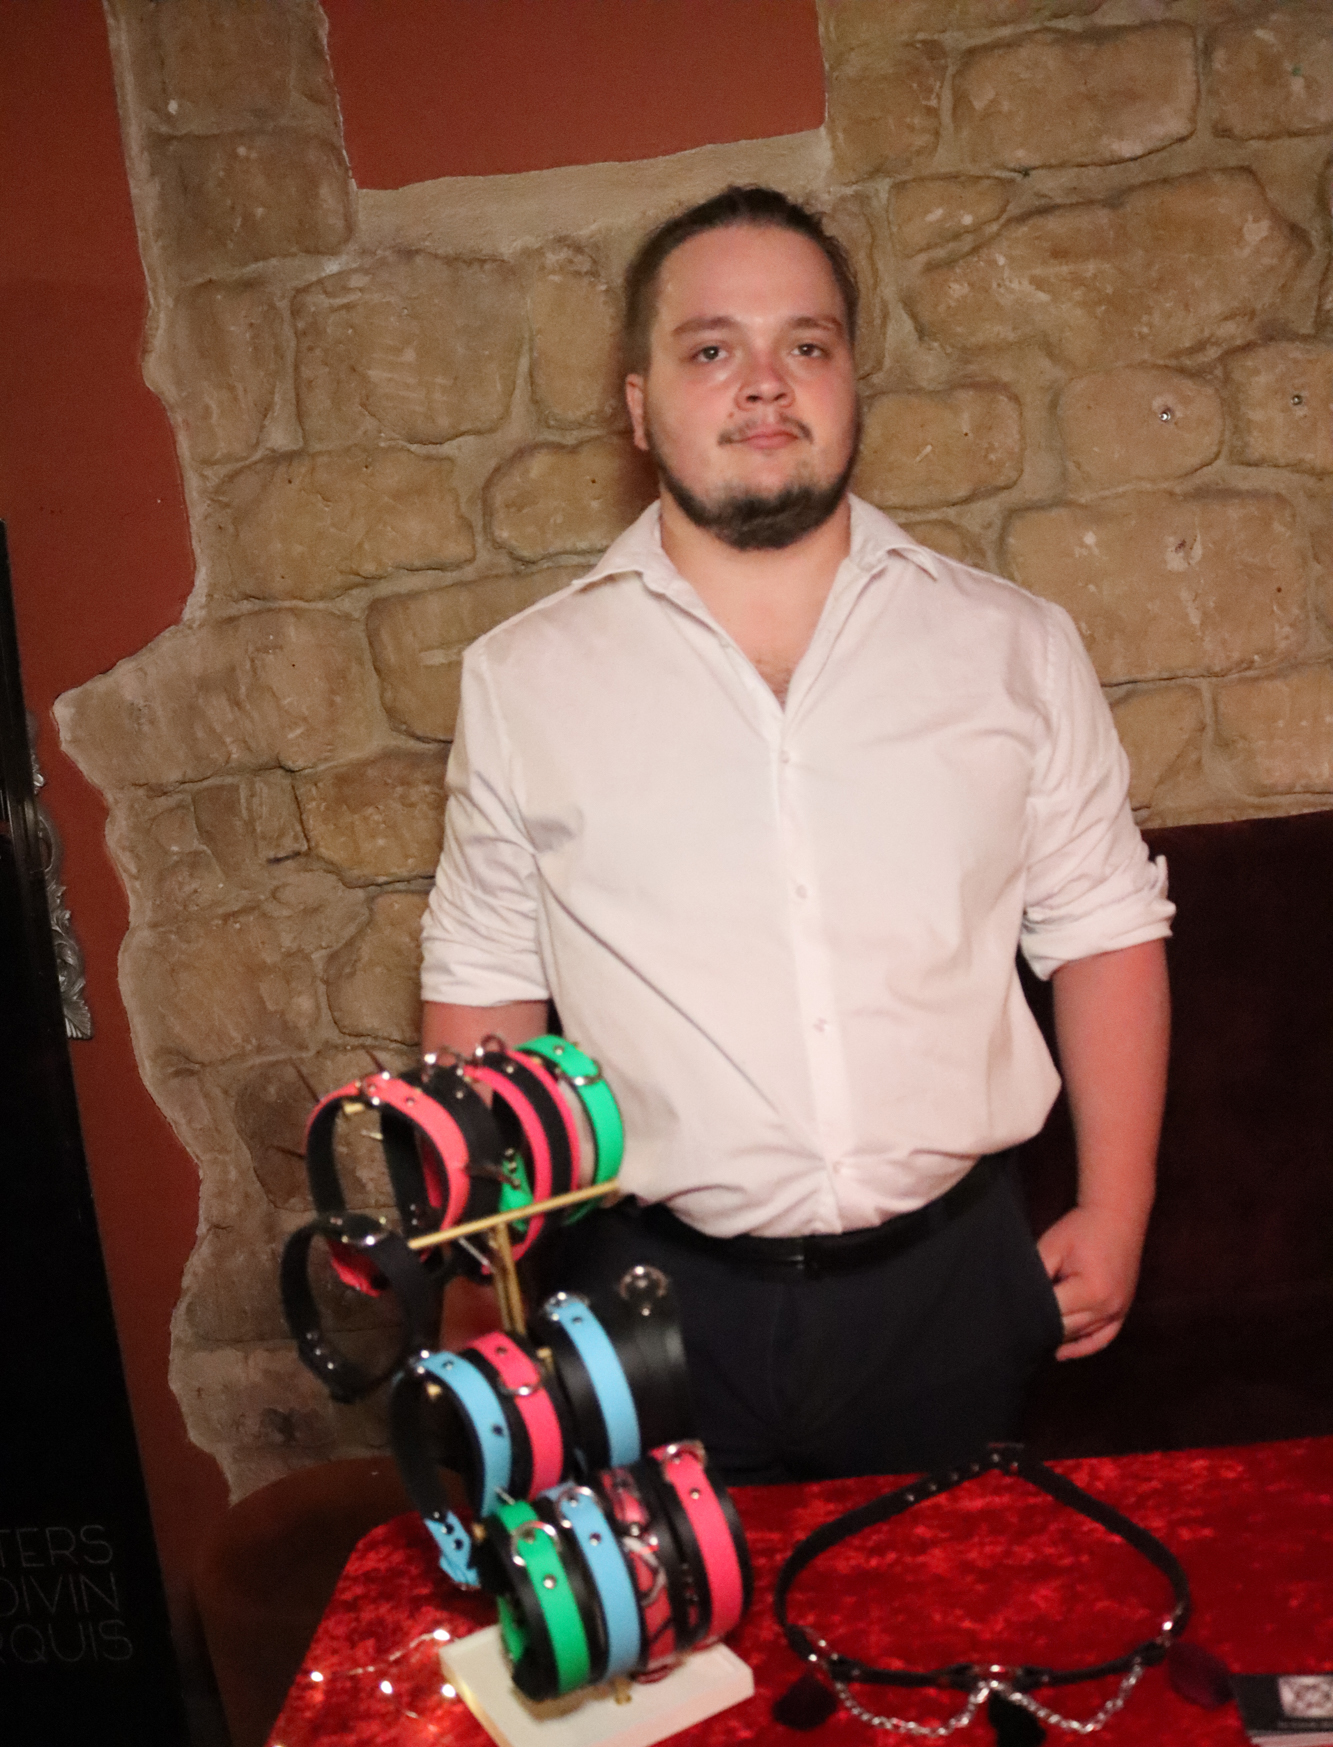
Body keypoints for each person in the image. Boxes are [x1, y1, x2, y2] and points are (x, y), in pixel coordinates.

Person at [419, 184, 1172, 1483]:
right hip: (641, 1299)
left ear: (851, 381)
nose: (764, 382)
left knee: (948, 1609)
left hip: (955, 1291)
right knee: (675, 1625)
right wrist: (479, 1286)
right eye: (712, 348)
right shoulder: (522, 681)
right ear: (639, 404)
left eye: (805, 344)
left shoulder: (1012, 647)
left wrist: (1117, 1205)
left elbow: (1103, 931)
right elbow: (487, 993)